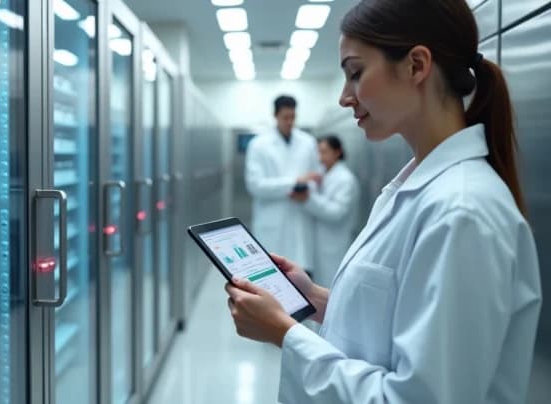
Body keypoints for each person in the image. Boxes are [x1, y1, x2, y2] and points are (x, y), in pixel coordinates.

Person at [224, 1, 542, 403]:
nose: (344, 97)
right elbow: (397, 321)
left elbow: (417, 399)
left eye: (356, 73)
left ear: (416, 66)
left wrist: (284, 334)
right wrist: (316, 299)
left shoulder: (462, 213)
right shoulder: (417, 189)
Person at [245, 95, 320, 270]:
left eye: (293, 117)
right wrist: (294, 182)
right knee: (271, 272)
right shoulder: (259, 145)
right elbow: (255, 185)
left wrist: (306, 189)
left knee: (300, 274)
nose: (289, 122)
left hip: (300, 217)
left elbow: (315, 177)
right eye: (285, 117)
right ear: (275, 115)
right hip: (272, 220)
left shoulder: (308, 142)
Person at [291, 136, 359, 286]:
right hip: (320, 244)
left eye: (324, 152)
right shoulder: (323, 174)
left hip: (335, 244)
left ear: (337, 152)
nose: (320, 157)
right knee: (321, 285)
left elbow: (337, 212)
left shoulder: (345, 179)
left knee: (332, 285)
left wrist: (308, 199)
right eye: (318, 152)